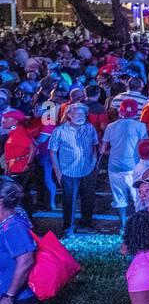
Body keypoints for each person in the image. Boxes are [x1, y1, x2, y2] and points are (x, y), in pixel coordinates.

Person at [48, 102, 99, 237]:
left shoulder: (89, 128)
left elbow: (94, 146)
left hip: (87, 170)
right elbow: (53, 152)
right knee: (69, 200)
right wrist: (58, 172)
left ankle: (85, 224)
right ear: (69, 115)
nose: (81, 116)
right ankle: (68, 227)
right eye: (77, 114)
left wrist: (93, 163)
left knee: (88, 199)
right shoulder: (59, 131)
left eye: (83, 114)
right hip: (68, 172)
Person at [100, 98, 148, 232]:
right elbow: (143, 147)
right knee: (137, 197)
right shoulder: (140, 126)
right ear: (135, 112)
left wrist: (115, 150)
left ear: (120, 111)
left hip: (114, 166)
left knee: (119, 197)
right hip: (133, 166)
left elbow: (102, 150)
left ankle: (123, 225)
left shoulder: (111, 126)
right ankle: (140, 225)